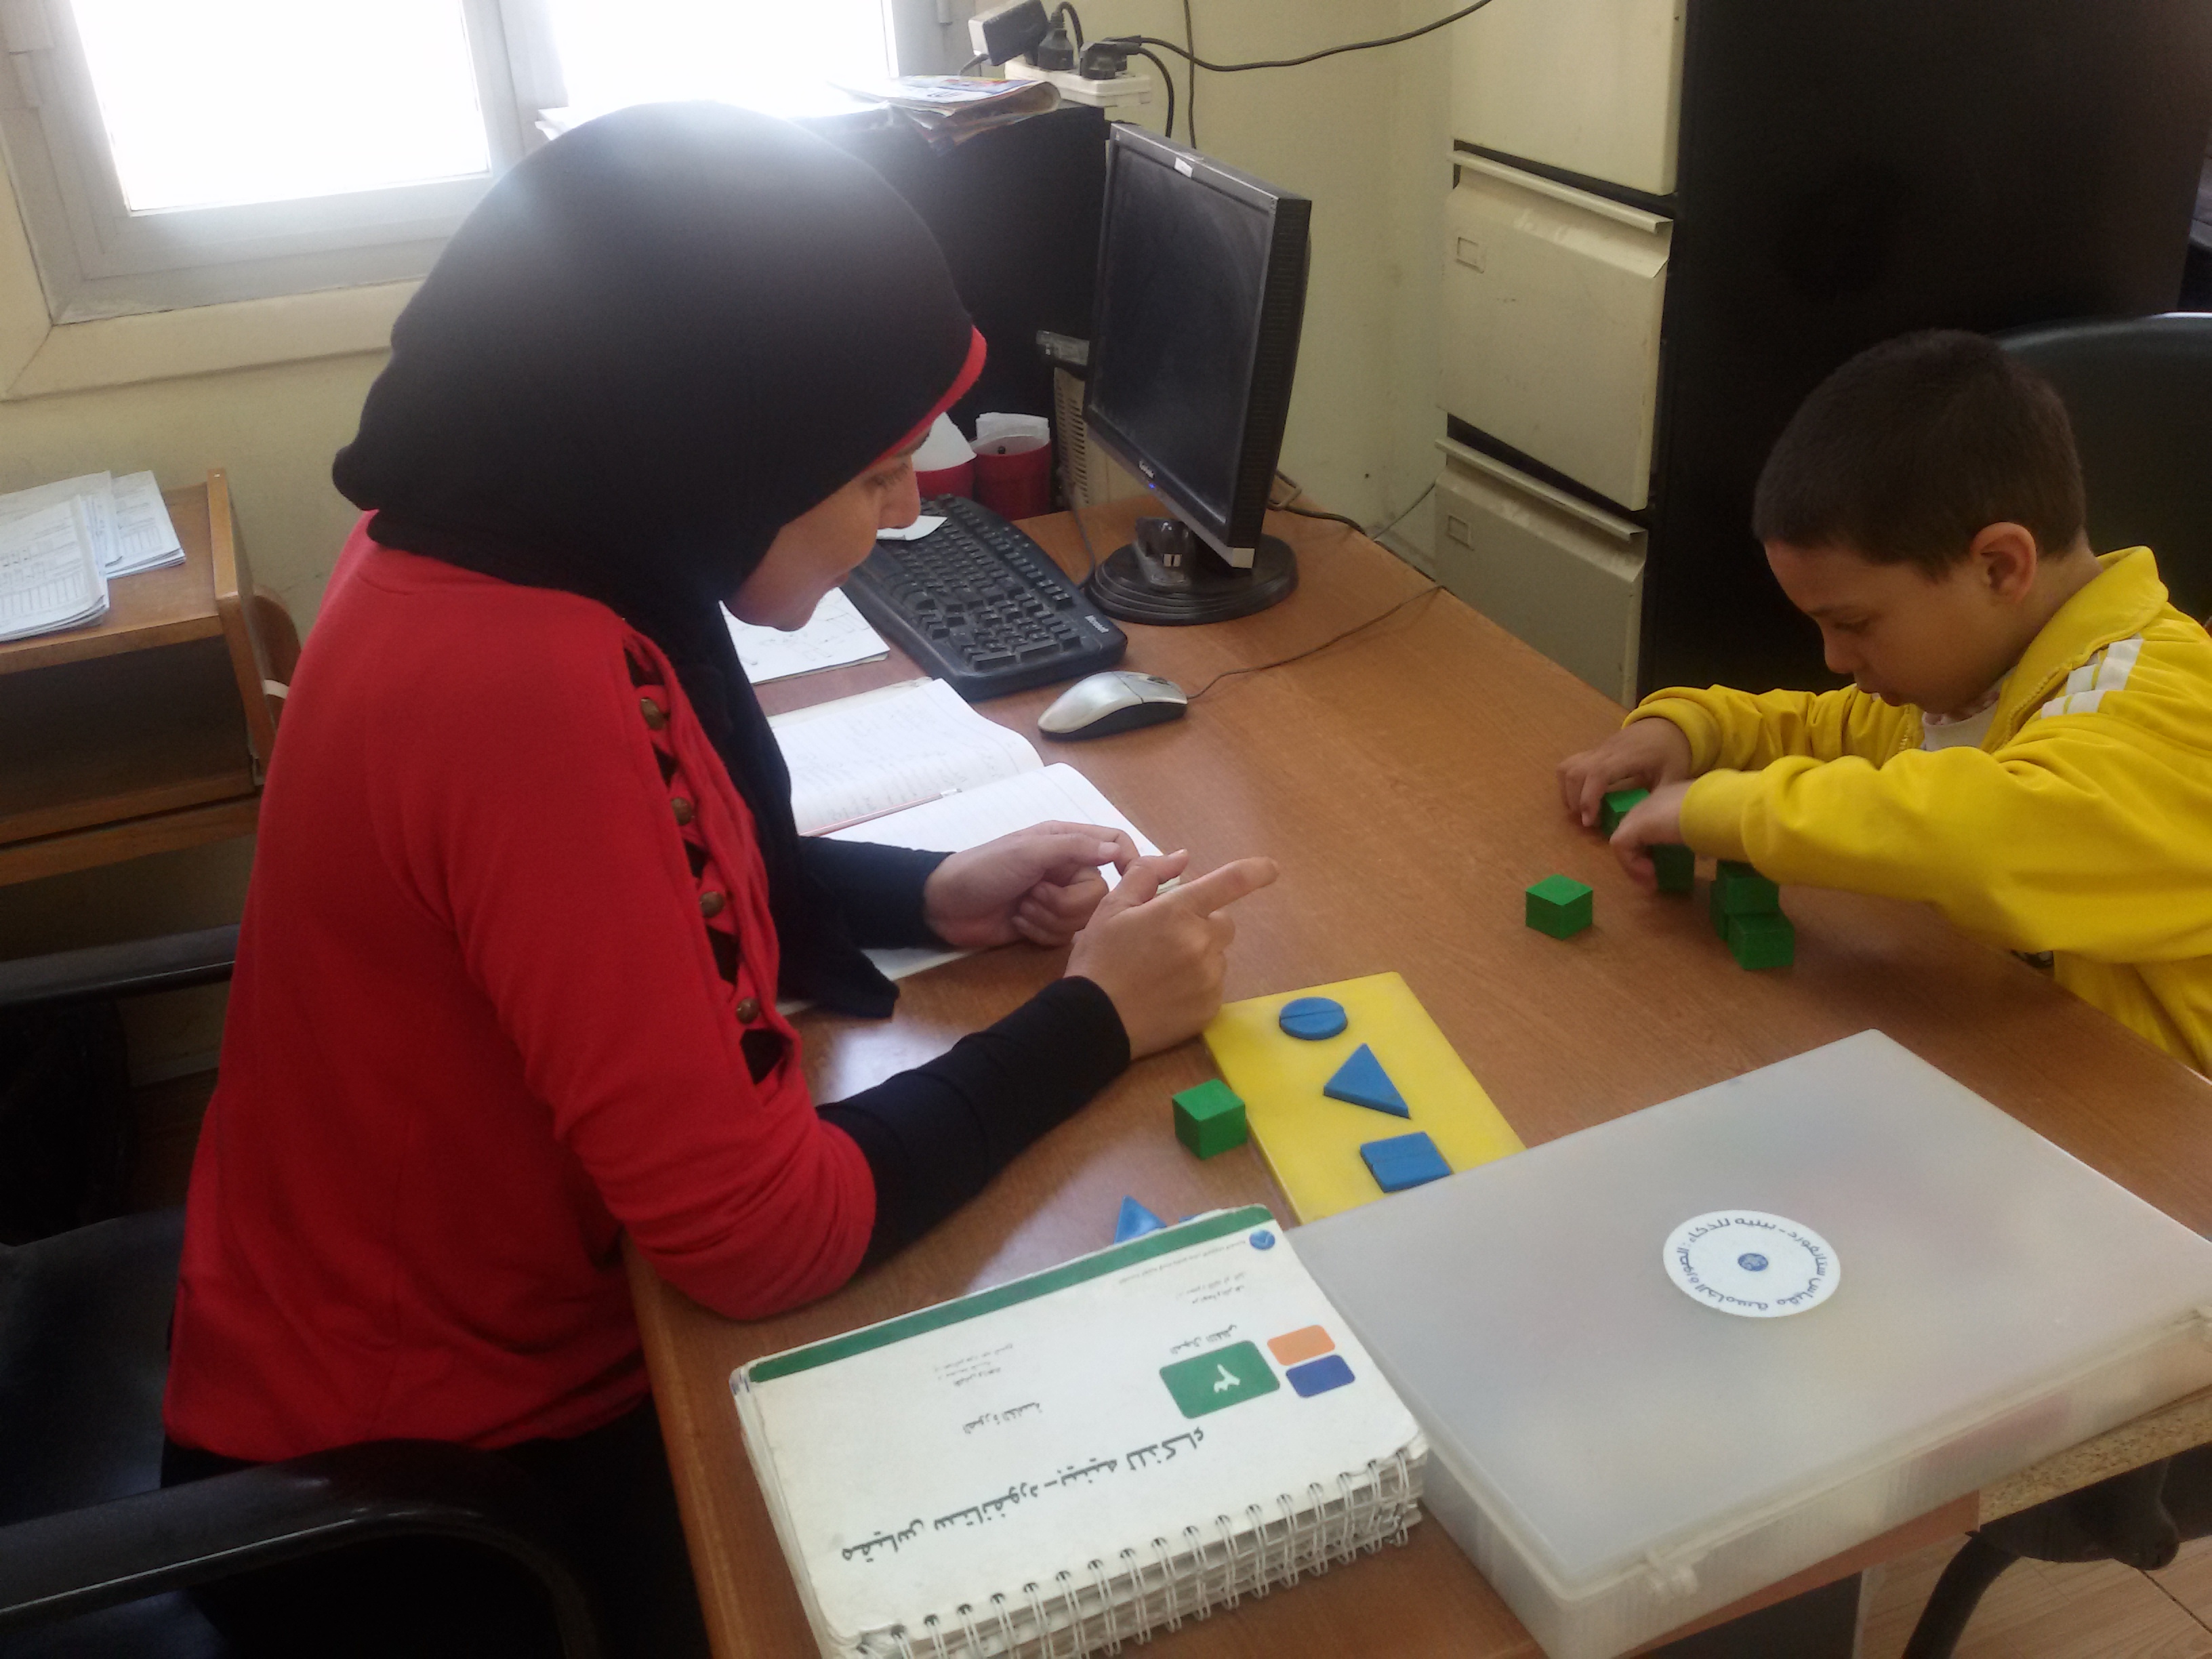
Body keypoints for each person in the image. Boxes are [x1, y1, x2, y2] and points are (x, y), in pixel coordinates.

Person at [159, 103, 1276, 1658]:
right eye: (875, 471)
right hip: (414, 1495)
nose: (910, 507)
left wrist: (932, 892)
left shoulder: (480, 540)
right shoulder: (530, 686)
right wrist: (1098, 1019)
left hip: (342, 1338)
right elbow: (760, 1240)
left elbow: (618, 890)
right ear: (715, 451)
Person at [1560, 329, 2212, 1076]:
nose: (1835, 660)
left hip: (2160, 1120)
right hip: (2016, 1064)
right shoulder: (1971, 682)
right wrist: (1690, 728)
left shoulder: (2165, 706)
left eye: (1855, 624)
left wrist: (1719, 810)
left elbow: (1973, 838)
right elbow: (1818, 730)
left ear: (1999, 568)